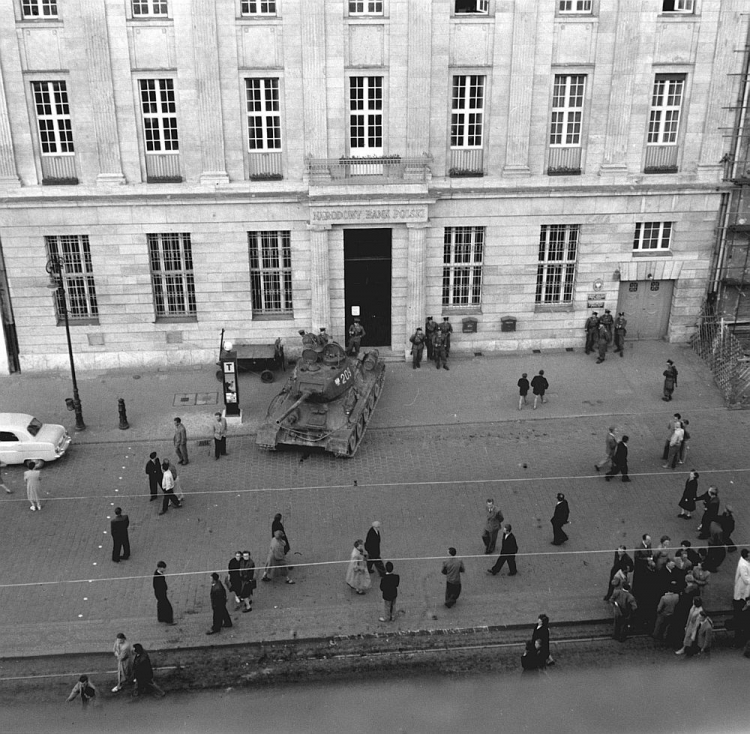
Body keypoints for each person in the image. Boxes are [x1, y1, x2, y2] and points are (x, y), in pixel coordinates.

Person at [732, 549, 750, 646]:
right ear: (746, 556)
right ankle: (739, 640)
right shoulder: (743, 565)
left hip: (743, 594)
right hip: (741, 596)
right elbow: (746, 579)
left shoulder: (745, 563)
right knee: (740, 618)